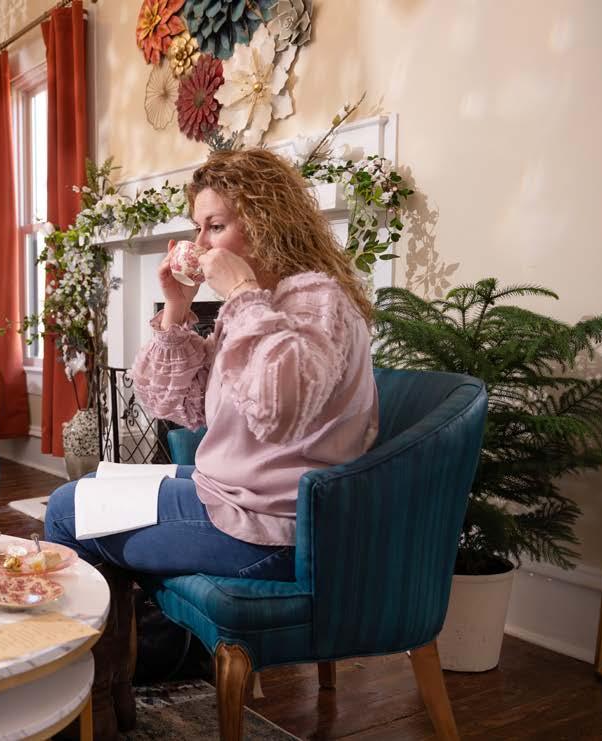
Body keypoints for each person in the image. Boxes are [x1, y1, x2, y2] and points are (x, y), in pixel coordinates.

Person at [43, 148, 380, 738]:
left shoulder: (313, 301)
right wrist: (177, 308)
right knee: (93, 487)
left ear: (265, 221)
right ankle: (114, 684)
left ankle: (82, 707)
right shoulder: (266, 303)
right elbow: (181, 405)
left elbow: (279, 408)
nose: (200, 243)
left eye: (215, 226)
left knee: (68, 510)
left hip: (274, 527)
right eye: (198, 228)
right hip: (236, 496)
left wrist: (242, 293)